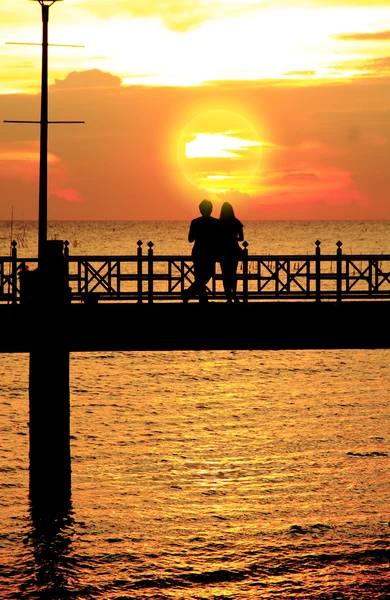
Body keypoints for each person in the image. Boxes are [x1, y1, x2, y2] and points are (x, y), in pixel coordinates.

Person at [182, 199, 219, 304]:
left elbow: (190, 239)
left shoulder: (195, 222)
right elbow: (219, 239)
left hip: (198, 253)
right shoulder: (216, 223)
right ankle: (201, 299)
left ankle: (191, 295)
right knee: (205, 277)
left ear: (200, 210)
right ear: (211, 209)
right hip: (210, 254)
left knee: (199, 277)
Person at [218, 202, 244, 303]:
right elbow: (241, 238)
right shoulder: (236, 222)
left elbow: (217, 238)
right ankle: (235, 295)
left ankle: (228, 297)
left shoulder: (219, 223)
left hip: (223, 251)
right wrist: (234, 238)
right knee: (233, 274)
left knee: (225, 274)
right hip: (234, 251)